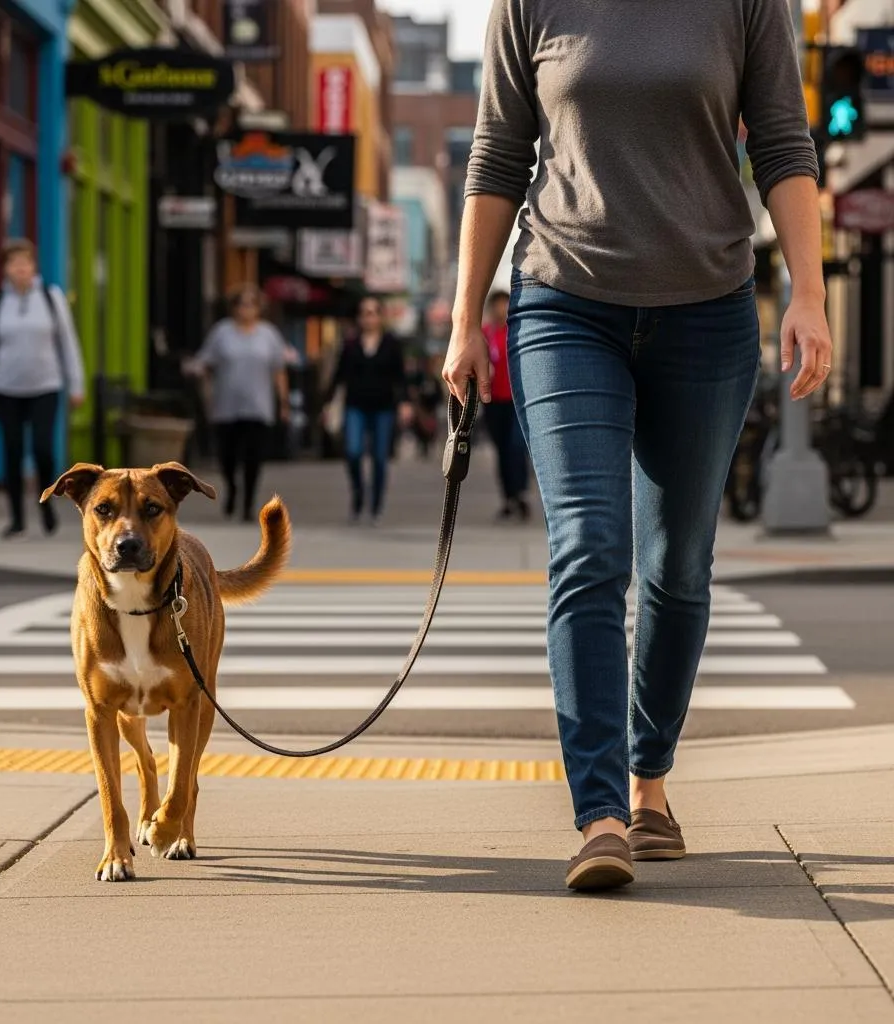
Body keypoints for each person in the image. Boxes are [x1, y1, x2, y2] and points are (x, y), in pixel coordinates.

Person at [442, 0, 833, 891]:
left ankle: (648, 778)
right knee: (589, 547)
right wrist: (465, 321)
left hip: (707, 312)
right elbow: (498, 154)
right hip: (563, 303)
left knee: (677, 566)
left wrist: (808, 295)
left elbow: (783, 144)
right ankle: (601, 814)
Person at [0, 238, 85, 540]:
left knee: (43, 449)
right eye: (14, 263)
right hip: (6, 387)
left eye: (26, 262)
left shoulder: (51, 298)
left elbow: (67, 343)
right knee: (13, 451)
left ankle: (46, 504)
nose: (21, 268)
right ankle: (17, 518)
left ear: (34, 266)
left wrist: (76, 384)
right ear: (5, 269)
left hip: (45, 385)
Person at [184, 284, 290, 522]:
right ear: (233, 308)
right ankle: (232, 488)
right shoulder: (222, 333)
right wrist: (200, 378)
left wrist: (284, 402)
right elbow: (206, 362)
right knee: (228, 455)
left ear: (259, 308)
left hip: (258, 406)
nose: (246, 309)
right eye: (242, 304)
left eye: (252, 304)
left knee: (254, 456)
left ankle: (248, 502)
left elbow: (279, 370)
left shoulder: (269, 335)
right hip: (226, 405)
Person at [321, 295, 413, 523]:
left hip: (383, 407)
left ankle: (376, 505)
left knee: (380, 458)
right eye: (364, 313)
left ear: (380, 317)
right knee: (353, 452)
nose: (368, 318)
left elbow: (400, 377)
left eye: (373, 313)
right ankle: (358, 495)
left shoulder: (391, 344)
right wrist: (328, 403)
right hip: (355, 406)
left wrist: (405, 402)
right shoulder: (350, 344)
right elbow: (339, 376)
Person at [482, 289, 530, 520]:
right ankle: (508, 497)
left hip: (517, 400)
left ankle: (520, 492)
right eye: (497, 305)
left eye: (505, 304)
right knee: (501, 450)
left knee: (516, 446)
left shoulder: (517, 330)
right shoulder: (486, 333)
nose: (501, 309)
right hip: (493, 401)